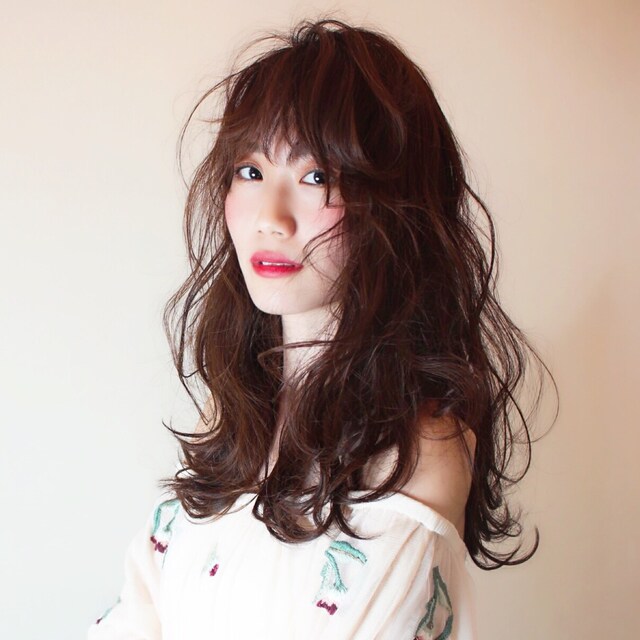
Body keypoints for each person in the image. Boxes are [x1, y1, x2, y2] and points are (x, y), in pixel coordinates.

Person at [88, 18, 555, 639]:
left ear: (395, 206)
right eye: (250, 171)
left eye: (317, 177)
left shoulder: (417, 455)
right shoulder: (229, 427)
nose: (271, 218)